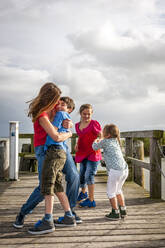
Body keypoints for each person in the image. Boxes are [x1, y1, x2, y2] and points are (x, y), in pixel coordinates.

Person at [13, 82, 81, 229]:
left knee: (73, 176)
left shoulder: (58, 108)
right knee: (45, 185)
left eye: (59, 99)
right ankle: (24, 212)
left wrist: (68, 124)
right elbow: (56, 134)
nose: (58, 102)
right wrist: (69, 133)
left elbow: (65, 117)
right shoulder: (42, 112)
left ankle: (69, 213)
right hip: (44, 148)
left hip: (60, 148)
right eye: (56, 99)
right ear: (48, 97)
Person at [28, 96, 76, 234]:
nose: (59, 106)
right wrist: (68, 129)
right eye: (58, 104)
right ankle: (69, 216)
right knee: (58, 185)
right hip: (58, 151)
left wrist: (60, 129)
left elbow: (54, 132)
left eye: (62, 105)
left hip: (54, 151)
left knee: (47, 184)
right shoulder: (63, 114)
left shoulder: (60, 113)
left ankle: (48, 220)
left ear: (69, 109)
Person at [92, 124, 128, 220]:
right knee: (118, 190)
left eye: (103, 132)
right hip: (124, 169)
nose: (102, 133)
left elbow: (95, 147)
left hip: (115, 171)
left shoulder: (105, 141)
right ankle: (123, 210)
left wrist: (97, 139)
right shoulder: (116, 141)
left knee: (110, 192)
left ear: (107, 135)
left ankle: (115, 212)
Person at [75, 104, 102, 208]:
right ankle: (83, 193)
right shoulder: (77, 125)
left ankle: (91, 200)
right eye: (84, 114)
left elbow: (101, 135)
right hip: (82, 152)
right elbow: (81, 136)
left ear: (92, 113)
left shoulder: (94, 123)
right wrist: (77, 144)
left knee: (89, 175)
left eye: (88, 114)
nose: (86, 116)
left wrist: (98, 141)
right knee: (81, 174)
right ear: (80, 113)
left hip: (93, 153)